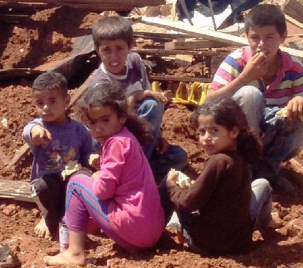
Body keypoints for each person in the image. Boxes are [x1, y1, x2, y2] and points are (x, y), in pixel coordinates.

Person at [43, 82, 165, 266]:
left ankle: (74, 252)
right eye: (92, 122)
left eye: (105, 120)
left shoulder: (115, 144)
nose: (98, 128)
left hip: (134, 231)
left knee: (76, 182)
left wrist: (95, 176)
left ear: (122, 117)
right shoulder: (128, 138)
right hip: (152, 232)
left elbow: (103, 192)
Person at [208, 4, 303, 192]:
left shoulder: (294, 68)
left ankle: (267, 172)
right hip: (239, 135)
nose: (261, 45)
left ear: (283, 38)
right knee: (250, 94)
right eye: (255, 38)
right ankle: (243, 168)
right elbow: (208, 105)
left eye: (269, 38)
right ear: (246, 37)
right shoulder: (236, 62)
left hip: (272, 134)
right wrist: (246, 76)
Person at [159, 96, 281, 256]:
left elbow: (189, 203)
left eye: (214, 130)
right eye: (202, 132)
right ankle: (266, 222)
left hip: (207, 244)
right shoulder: (241, 155)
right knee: (263, 184)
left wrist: (173, 189)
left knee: (167, 189)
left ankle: (155, 234)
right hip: (240, 242)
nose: (206, 138)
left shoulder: (218, 162)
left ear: (234, 131)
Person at [88, 16, 188, 178]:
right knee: (152, 105)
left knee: (179, 157)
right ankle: (134, 170)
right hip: (109, 138)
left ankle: (130, 168)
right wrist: (133, 98)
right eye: (107, 50)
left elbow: (149, 94)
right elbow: (112, 126)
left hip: (137, 136)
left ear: (130, 47)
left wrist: (157, 136)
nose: (114, 57)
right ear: (97, 49)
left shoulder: (135, 61)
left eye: (120, 48)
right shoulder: (101, 84)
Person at [23, 72, 95, 239]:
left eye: (52, 101)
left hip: (71, 179)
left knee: (85, 177)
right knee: (44, 186)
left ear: (66, 101)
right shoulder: (39, 125)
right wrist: (36, 132)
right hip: (48, 182)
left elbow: (87, 154)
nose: (46, 107)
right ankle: (48, 216)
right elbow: (29, 130)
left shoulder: (79, 129)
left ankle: (69, 216)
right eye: (40, 103)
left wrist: (93, 159)